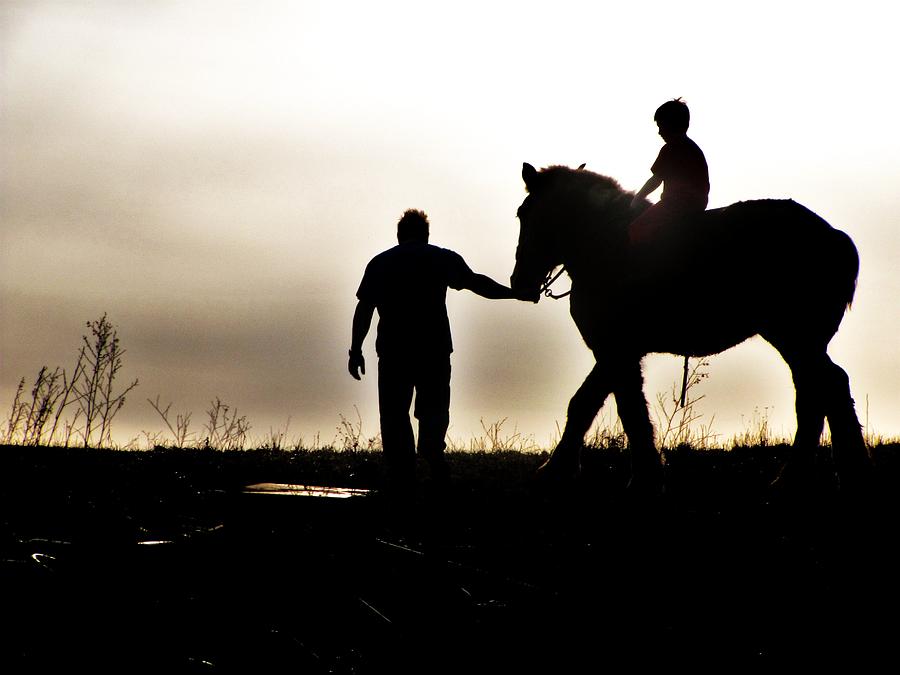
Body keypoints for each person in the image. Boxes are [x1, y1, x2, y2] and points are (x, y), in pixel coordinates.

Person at [348, 209, 530, 494]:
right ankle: (434, 458)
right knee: (433, 409)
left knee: (395, 415)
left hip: (394, 351)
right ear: (426, 234)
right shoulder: (441, 258)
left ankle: (403, 477)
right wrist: (515, 293)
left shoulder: (380, 263)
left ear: (399, 236)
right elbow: (477, 283)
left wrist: (355, 349)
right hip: (434, 349)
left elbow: (364, 309)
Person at [628, 98, 709, 245]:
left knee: (637, 228)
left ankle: (649, 263)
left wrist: (637, 198)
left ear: (671, 125)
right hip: (699, 203)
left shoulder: (670, 149)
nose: (659, 132)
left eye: (661, 126)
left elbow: (656, 179)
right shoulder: (694, 149)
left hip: (675, 205)